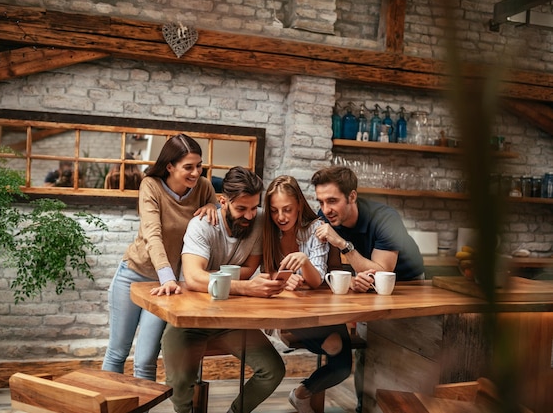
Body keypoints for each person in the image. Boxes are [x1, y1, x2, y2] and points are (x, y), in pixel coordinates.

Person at [161, 166, 286, 413]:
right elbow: (195, 278)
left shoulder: (259, 219)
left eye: (254, 207)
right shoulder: (202, 225)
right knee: (178, 385)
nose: (250, 216)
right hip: (191, 319)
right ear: (223, 201)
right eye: (242, 208)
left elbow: (251, 267)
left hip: (231, 320)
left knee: (273, 370)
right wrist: (247, 288)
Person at [102, 133, 219, 381]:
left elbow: (218, 212)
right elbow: (152, 235)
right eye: (188, 167)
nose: (196, 173)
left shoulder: (204, 188)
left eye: (199, 166)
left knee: (145, 360)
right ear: (169, 166)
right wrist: (167, 277)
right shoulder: (151, 186)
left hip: (166, 286)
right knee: (117, 352)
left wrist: (213, 206)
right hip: (133, 276)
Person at [310, 165, 424, 413]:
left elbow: (382, 273)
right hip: (369, 284)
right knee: (370, 348)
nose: (325, 209)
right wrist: (352, 280)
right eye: (320, 201)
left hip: (408, 284)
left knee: (406, 349)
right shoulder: (325, 216)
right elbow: (329, 265)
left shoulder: (385, 218)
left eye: (332, 200)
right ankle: (366, 406)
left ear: (352, 196)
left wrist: (341, 243)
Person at [262, 175, 351, 413]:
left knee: (343, 365)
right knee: (334, 346)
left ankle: (301, 393)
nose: (280, 217)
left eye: (287, 210)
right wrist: (277, 278)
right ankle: (285, 331)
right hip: (284, 309)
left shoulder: (315, 229)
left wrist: (303, 262)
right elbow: (260, 272)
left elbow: (316, 280)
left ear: (299, 206)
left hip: (315, 306)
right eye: (274, 211)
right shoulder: (267, 229)